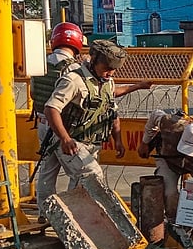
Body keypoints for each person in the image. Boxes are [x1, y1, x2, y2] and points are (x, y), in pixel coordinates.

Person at [37, 40, 149, 204]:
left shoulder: (106, 82)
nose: (110, 73)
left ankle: (71, 215)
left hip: (90, 142)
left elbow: (111, 111)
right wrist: (65, 139)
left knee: (80, 182)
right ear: (94, 61)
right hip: (70, 139)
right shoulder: (73, 80)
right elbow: (51, 108)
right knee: (91, 173)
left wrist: (118, 140)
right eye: (107, 69)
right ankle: (47, 212)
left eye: (113, 70)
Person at [31, 23, 84, 219]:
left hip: (43, 124)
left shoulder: (40, 64)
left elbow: (33, 93)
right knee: (77, 171)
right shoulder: (75, 69)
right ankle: (72, 215)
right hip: (64, 128)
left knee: (47, 169)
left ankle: (45, 212)